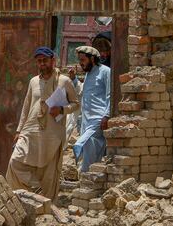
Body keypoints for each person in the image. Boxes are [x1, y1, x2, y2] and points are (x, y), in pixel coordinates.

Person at [6, 47, 79, 200]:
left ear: (53, 61)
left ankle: (46, 207)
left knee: (49, 172)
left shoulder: (64, 81)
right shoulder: (33, 81)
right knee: (15, 161)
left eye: (45, 60)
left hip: (52, 132)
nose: (42, 64)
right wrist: (19, 131)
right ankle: (29, 193)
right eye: (39, 61)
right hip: (31, 130)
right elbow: (26, 107)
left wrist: (61, 110)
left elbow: (76, 104)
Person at [73, 46, 111, 173]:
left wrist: (107, 115)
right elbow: (84, 93)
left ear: (92, 59)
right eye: (79, 60)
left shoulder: (106, 71)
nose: (80, 63)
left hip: (99, 118)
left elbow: (110, 95)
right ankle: (90, 178)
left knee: (83, 143)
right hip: (86, 120)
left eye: (83, 60)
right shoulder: (88, 74)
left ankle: (86, 176)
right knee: (91, 148)